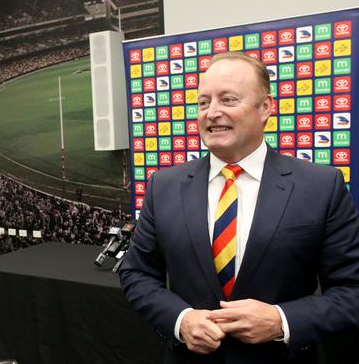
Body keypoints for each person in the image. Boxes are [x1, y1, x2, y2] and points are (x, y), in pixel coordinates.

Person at [119, 51, 359, 363]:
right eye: (204, 102)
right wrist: (182, 320)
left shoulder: (321, 186)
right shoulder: (163, 186)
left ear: (265, 108)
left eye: (228, 99)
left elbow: (352, 290)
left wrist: (281, 321)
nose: (212, 112)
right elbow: (136, 272)